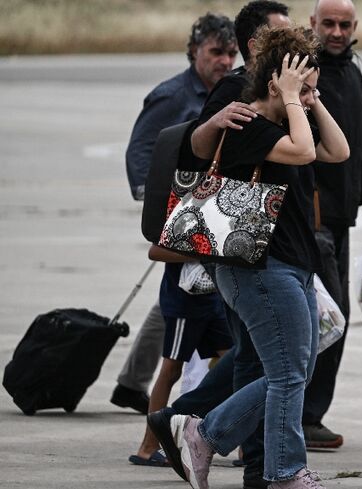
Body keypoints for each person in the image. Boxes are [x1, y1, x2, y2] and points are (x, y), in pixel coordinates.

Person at [161, 25, 349, 489]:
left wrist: (311, 97)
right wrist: (290, 96)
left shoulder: (292, 119)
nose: (306, 97)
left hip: (293, 267)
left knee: (296, 372)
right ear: (274, 85)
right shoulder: (249, 126)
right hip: (258, 270)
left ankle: (204, 431)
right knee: (287, 375)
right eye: (301, 88)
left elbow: (336, 150)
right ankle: (284, 471)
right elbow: (306, 152)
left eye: (311, 88)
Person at [112, 12, 237, 414]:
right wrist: (159, 206)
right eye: (216, 51)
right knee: (178, 302)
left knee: (175, 302)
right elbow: (142, 149)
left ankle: (133, 383)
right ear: (195, 51)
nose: (225, 60)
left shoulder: (225, 93)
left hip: (204, 214)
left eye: (231, 52)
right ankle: (151, 404)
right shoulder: (172, 96)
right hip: (177, 215)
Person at [303, 0, 362, 449]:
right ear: (312, 25)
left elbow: (360, 152)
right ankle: (299, 416)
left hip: (341, 221)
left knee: (331, 322)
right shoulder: (301, 74)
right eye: (328, 24)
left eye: (344, 25)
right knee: (326, 320)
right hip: (309, 220)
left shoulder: (353, 74)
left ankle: (307, 415)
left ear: (355, 26)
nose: (337, 32)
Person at [129, 251, 233, 467]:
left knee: (236, 364)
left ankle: (249, 451)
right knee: (171, 369)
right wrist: (206, 252)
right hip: (185, 301)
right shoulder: (174, 216)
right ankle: (148, 447)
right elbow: (156, 251)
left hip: (214, 295)